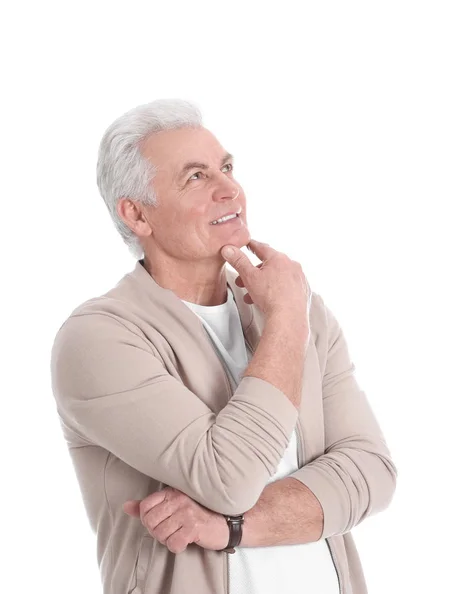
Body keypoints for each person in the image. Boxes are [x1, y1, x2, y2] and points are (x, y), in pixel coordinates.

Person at [50, 98, 398, 594]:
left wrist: (233, 527)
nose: (230, 189)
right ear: (137, 214)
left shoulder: (300, 310)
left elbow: (372, 471)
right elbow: (227, 476)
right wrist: (282, 323)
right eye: (196, 177)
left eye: (227, 168)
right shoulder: (100, 338)